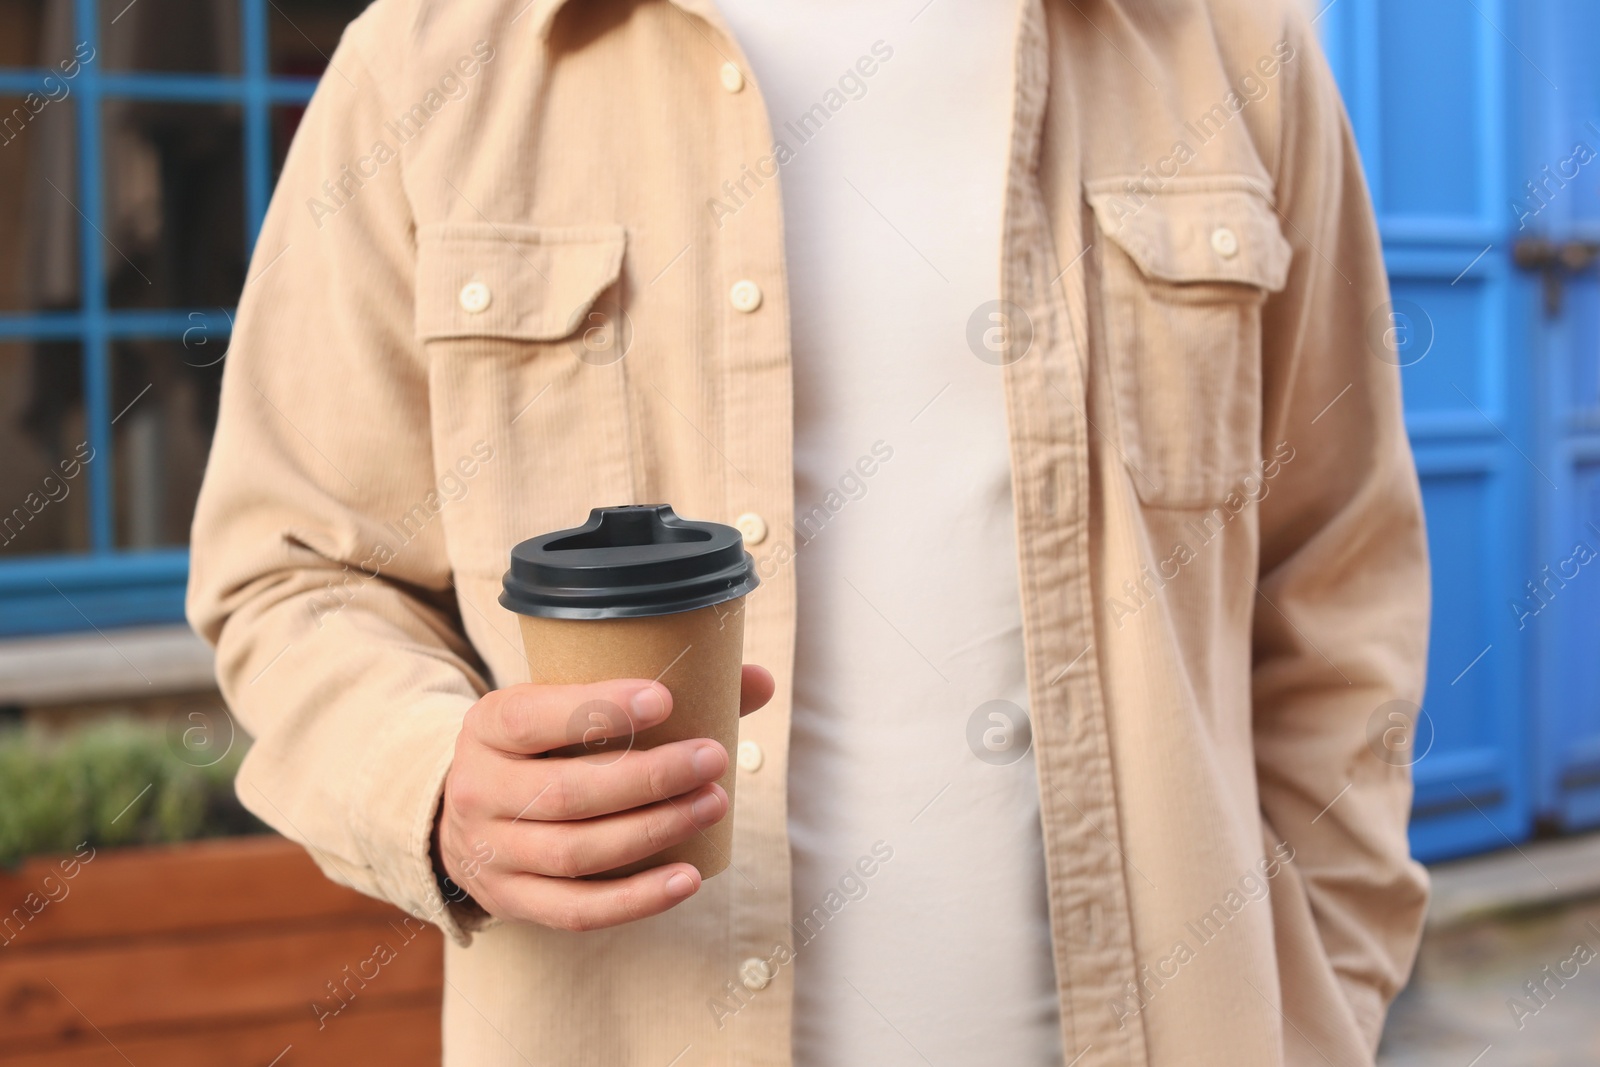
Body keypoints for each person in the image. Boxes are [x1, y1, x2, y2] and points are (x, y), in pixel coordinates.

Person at [187, 0, 1431, 1063]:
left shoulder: (1228, 47)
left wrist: (1317, 1002)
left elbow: (1340, 573)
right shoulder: (431, 57)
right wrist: (435, 785)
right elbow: (292, 568)